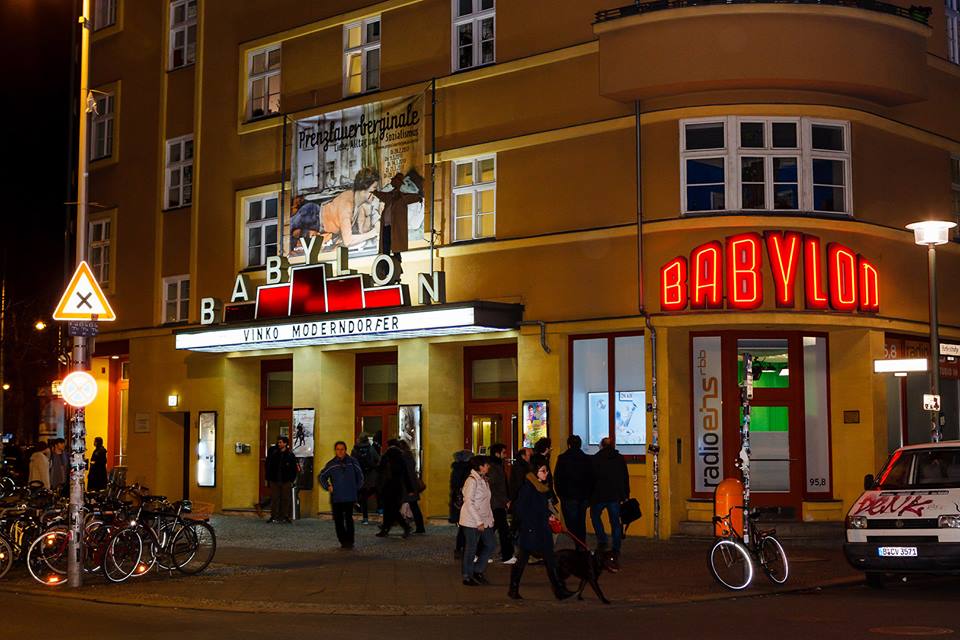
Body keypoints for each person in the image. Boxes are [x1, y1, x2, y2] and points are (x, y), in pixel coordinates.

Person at [508, 455, 575, 601]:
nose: (547, 473)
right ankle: (513, 588)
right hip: (531, 531)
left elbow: (541, 508)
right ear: (535, 472)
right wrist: (537, 520)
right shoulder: (528, 488)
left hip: (542, 530)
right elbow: (520, 510)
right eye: (543, 471)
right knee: (523, 560)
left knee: (550, 559)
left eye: (546, 471)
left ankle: (559, 590)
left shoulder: (540, 487)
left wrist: (549, 516)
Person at [319, 441, 364, 549]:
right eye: (338, 449)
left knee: (349, 519)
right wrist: (327, 486)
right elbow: (322, 476)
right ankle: (343, 540)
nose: (340, 451)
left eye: (342, 449)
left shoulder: (352, 462)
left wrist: (355, 488)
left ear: (345, 450)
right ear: (335, 451)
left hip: (349, 496)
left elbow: (360, 476)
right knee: (338, 520)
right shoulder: (332, 464)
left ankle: (350, 541)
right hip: (337, 497)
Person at [590, 437, 630, 555]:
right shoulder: (619, 458)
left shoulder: (596, 458)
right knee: (615, 522)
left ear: (601, 445)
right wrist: (626, 494)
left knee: (595, 516)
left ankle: (602, 540)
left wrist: (590, 495)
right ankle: (616, 548)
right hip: (615, 495)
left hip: (599, 495)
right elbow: (624, 477)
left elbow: (591, 478)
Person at [459, 455, 496, 586]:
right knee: (471, 548)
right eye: (486, 464)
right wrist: (478, 521)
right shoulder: (472, 480)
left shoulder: (483, 479)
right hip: (471, 520)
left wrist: (490, 518)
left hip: (484, 519)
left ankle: (477, 570)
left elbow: (486, 502)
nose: (488, 466)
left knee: (491, 544)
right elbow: (469, 502)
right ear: (480, 467)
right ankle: (467, 576)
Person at [554, 434, 593, 545]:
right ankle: (582, 542)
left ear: (569, 445)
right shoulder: (587, 458)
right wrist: (589, 496)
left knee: (571, 522)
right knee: (581, 521)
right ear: (580, 445)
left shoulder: (562, 458)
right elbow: (592, 478)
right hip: (583, 496)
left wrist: (560, 494)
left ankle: (578, 543)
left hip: (568, 496)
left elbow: (557, 478)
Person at [376, 439, 412, 538]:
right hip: (397, 487)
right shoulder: (401, 457)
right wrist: (409, 488)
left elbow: (379, 470)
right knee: (393, 509)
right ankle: (386, 528)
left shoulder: (386, 456)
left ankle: (401, 527)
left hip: (387, 486)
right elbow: (405, 474)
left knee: (389, 509)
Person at [487, 444, 514, 563]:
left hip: (497, 502)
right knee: (503, 530)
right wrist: (505, 500)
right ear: (497, 453)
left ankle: (480, 553)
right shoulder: (494, 467)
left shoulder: (498, 465)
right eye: (504, 452)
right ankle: (507, 556)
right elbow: (494, 487)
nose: (506, 455)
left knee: (492, 529)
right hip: (496, 503)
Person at [265, 436, 298, 523]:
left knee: (285, 498)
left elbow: (294, 469)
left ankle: (285, 516)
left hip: (286, 480)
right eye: (278, 442)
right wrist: (268, 478)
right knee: (275, 498)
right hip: (274, 479)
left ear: (285, 443)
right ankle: (274, 516)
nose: (279, 444)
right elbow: (268, 465)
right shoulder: (274, 453)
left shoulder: (290, 455)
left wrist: (291, 479)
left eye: (280, 442)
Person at [449, 449, 474, 559]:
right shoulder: (468, 469)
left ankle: (459, 548)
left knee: (463, 525)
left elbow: (454, 485)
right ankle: (464, 548)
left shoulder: (456, 468)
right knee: (466, 526)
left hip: (458, 500)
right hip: (465, 499)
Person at [351, 434, 380, 524]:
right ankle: (379, 509)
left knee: (362, 495)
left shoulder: (355, 449)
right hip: (370, 475)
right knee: (373, 490)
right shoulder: (371, 448)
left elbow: (352, 462)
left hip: (359, 475)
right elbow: (378, 459)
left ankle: (365, 517)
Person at [398, 440, 426, 534]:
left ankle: (409, 526)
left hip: (408, 486)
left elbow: (406, 473)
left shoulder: (403, 457)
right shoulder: (409, 456)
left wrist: (409, 489)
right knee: (414, 506)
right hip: (411, 484)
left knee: (396, 506)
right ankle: (419, 527)